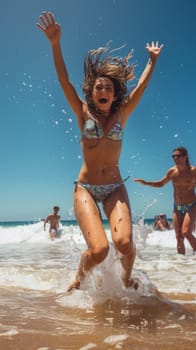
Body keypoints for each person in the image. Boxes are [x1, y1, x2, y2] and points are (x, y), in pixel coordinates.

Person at [37, 11, 163, 292]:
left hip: (115, 187)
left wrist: (152, 61)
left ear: (115, 94)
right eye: (98, 87)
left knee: (124, 244)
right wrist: (55, 44)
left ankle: (125, 277)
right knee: (99, 251)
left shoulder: (122, 113)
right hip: (86, 188)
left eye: (108, 87)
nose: (103, 90)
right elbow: (63, 80)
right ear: (92, 93)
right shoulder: (83, 113)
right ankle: (78, 280)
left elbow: (141, 88)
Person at [134, 147, 196, 254]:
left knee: (186, 232)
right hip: (177, 207)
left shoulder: (193, 171)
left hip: (192, 205)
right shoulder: (172, 172)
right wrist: (146, 182)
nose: (175, 158)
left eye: (178, 156)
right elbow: (161, 183)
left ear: (185, 156)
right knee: (178, 236)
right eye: (173, 156)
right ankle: (181, 262)